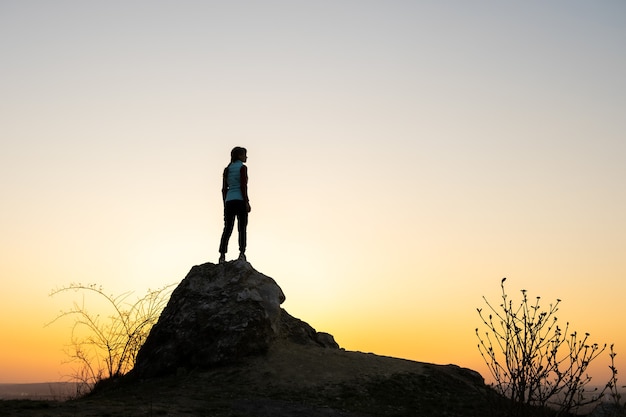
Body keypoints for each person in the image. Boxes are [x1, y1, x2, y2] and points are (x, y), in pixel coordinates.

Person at [218, 147, 251, 263]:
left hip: (229, 201)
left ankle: (222, 255)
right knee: (242, 228)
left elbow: (223, 189)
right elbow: (243, 186)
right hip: (240, 201)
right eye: (244, 155)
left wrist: (225, 204)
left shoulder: (227, 169)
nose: (246, 157)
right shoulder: (242, 168)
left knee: (227, 229)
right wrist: (247, 201)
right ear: (239, 156)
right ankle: (242, 253)